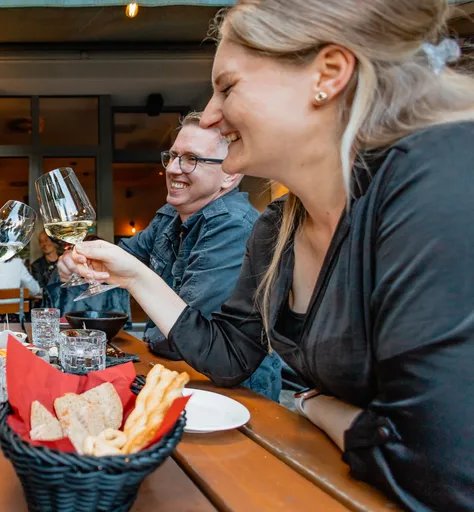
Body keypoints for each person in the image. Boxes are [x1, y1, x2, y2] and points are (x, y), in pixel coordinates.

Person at [66, 1, 474, 508]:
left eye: (227, 87)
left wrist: (314, 404)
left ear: (327, 75)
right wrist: (131, 275)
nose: (211, 114)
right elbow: (230, 357)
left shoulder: (437, 181)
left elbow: (434, 470)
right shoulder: (276, 227)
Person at [59, 111, 282, 401]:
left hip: (233, 395)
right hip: (177, 374)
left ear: (230, 175)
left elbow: (191, 337)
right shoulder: (169, 217)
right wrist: (79, 263)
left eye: (192, 159)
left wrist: (129, 275)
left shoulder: (234, 226)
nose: (174, 169)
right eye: (173, 156)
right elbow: (122, 257)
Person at [30, 232, 61, 302]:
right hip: (48, 302)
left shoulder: (65, 259)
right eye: (41, 242)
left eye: (46, 240)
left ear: (53, 241)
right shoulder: (36, 265)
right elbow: (40, 289)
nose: (44, 244)